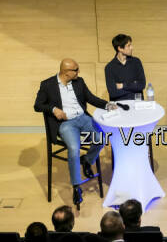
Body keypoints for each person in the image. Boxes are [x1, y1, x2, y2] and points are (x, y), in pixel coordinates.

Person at [34, 58, 116, 209]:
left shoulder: (79, 82)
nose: (79, 72)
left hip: (83, 118)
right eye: (76, 69)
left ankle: (87, 161)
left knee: (101, 138)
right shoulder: (47, 85)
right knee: (73, 148)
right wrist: (53, 109)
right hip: (65, 124)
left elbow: (91, 98)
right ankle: (76, 187)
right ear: (66, 73)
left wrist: (108, 105)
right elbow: (38, 105)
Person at [105, 33, 146, 101]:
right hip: (120, 106)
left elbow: (142, 85)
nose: (132, 47)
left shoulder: (136, 62)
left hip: (137, 103)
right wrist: (134, 87)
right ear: (120, 48)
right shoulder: (109, 67)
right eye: (128, 46)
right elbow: (113, 93)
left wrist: (122, 85)